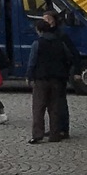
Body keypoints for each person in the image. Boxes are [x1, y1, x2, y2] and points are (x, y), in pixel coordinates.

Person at [27, 10, 76, 143]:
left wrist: (29, 76)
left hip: (41, 78)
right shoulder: (59, 42)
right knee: (55, 107)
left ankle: (37, 134)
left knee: (39, 107)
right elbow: (69, 57)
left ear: (39, 30)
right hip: (58, 78)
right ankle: (55, 134)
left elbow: (32, 62)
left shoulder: (38, 43)